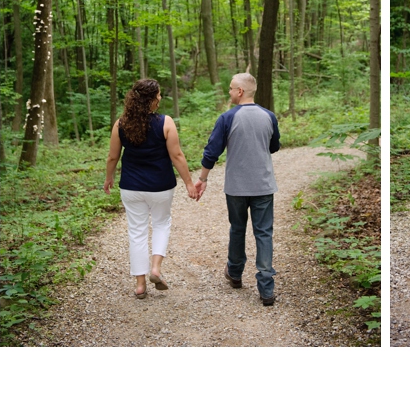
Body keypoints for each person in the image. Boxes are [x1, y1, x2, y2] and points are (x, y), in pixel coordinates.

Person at [104, 79, 197, 299]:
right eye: (159, 95)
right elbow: (177, 156)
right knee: (161, 224)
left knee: (136, 232)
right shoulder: (166, 122)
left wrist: (108, 177)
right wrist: (189, 183)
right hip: (161, 186)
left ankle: (139, 283)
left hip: (131, 187)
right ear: (153, 98)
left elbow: (113, 156)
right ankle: (156, 268)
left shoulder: (120, 124)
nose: (161, 98)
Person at [193, 73, 280, 306]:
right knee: (264, 233)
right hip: (263, 185)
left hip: (236, 187)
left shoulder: (227, 118)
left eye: (231, 89)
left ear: (240, 91)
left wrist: (203, 178)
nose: (229, 92)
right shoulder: (269, 116)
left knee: (238, 229)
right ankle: (266, 289)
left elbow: (212, 152)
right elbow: (274, 146)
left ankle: (235, 273)